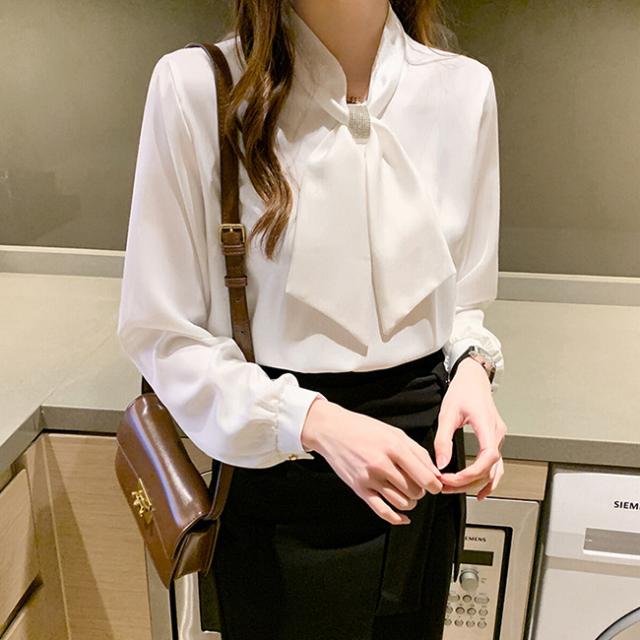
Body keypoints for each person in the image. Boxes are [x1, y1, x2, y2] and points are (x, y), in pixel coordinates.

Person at [117, 0, 508, 638]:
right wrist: (313, 422)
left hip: (425, 473)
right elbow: (162, 336)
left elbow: (462, 297)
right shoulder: (197, 89)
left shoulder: (464, 89)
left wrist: (472, 368)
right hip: (281, 471)